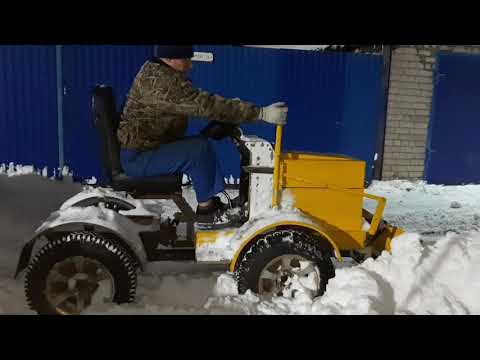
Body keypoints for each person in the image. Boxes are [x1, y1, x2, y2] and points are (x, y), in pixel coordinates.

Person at [117, 45, 288, 219]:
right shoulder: (162, 84)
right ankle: (207, 210)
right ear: (169, 59)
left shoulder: (158, 73)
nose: (190, 65)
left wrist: (219, 122)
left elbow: (195, 105)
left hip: (148, 148)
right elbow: (205, 105)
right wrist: (260, 113)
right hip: (139, 157)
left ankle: (208, 202)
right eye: (186, 59)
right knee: (198, 150)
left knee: (199, 144)